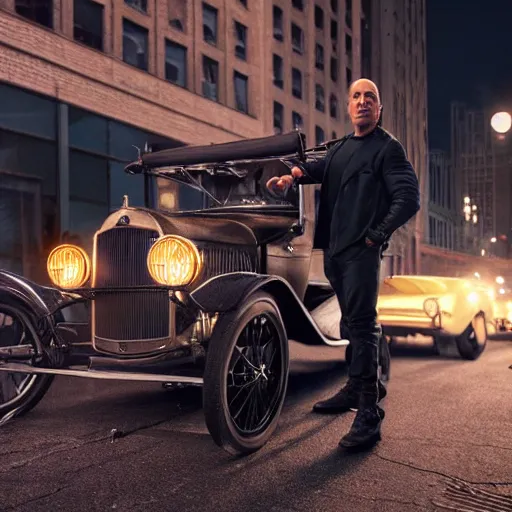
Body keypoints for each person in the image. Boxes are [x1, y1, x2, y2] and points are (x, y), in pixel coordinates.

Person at [266, 78, 420, 450]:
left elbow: (409, 198)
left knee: (363, 325)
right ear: (348, 107)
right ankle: (356, 387)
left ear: (378, 108)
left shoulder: (388, 148)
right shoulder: (341, 148)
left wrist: (376, 235)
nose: (363, 102)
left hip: (362, 252)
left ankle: (369, 415)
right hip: (335, 252)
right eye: (356, 96)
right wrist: (292, 177)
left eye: (370, 97)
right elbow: (318, 170)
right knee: (352, 322)